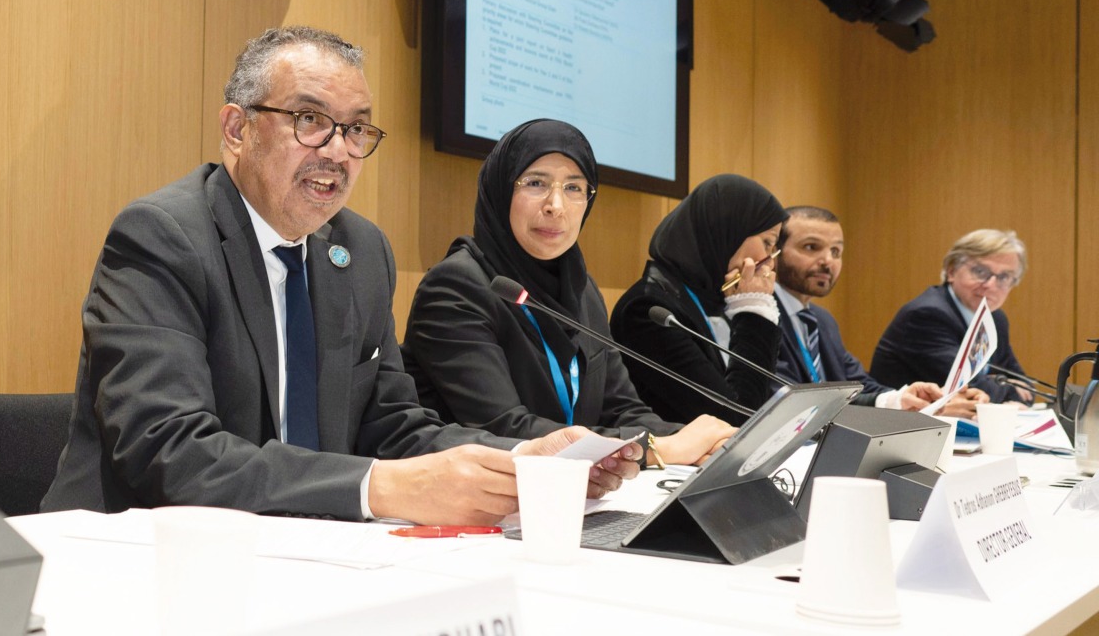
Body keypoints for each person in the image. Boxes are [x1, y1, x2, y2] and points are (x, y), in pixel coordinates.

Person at [41, 26, 639, 525]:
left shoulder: (360, 250)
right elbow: (168, 451)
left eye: (355, 129)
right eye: (309, 119)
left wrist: (523, 459)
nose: (336, 151)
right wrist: (379, 487)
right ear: (237, 130)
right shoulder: (164, 236)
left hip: (308, 551)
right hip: (142, 556)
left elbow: (393, 428)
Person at [401, 120, 736, 466]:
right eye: (536, 183)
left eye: (574, 187)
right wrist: (655, 449)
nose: (556, 205)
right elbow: (503, 428)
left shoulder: (582, 289)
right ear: (501, 190)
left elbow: (623, 409)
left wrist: (706, 444)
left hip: (575, 486)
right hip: (486, 493)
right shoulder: (455, 286)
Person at [773, 207, 988, 417]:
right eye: (811, 247)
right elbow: (790, 404)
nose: (827, 261)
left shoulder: (821, 320)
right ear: (774, 252)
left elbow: (858, 385)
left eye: (836, 252)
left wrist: (910, 399)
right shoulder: (764, 318)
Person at [609, 174, 786, 425]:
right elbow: (736, 420)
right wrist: (753, 315)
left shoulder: (720, 299)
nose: (770, 262)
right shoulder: (648, 311)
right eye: (767, 243)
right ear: (726, 231)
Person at [870, 229, 1033, 405]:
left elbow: (1026, 387)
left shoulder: (995, 318)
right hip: (901, 420)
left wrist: (1004, 388)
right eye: (980, 271)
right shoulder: (926, 315)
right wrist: (1007, 390)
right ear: (951, 271)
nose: (991, 285)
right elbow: (967, 388)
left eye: (1004, 277)